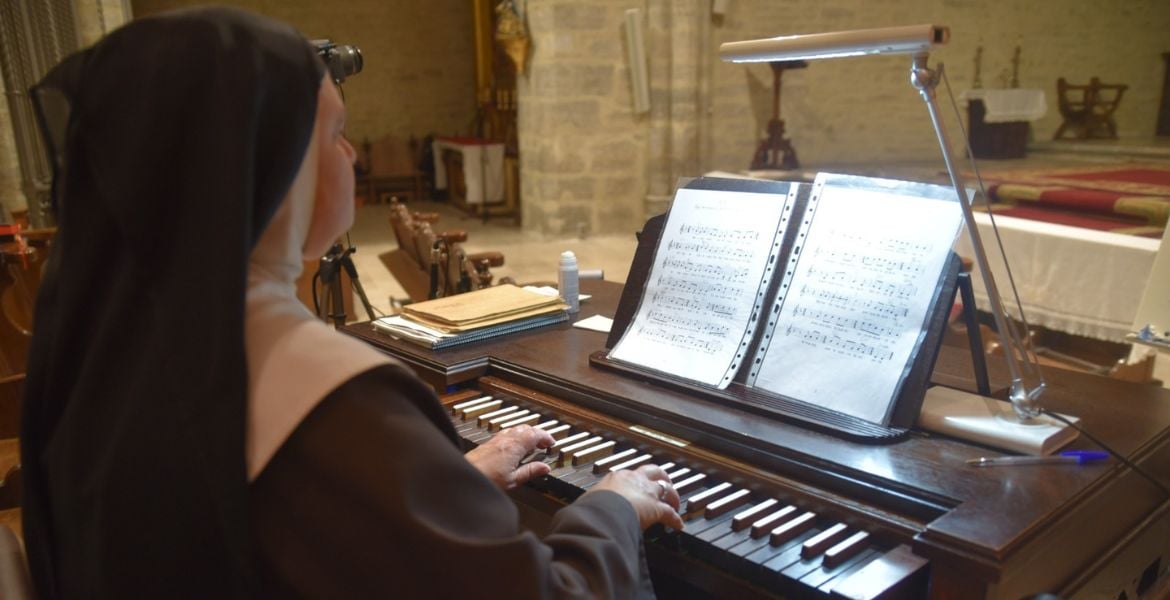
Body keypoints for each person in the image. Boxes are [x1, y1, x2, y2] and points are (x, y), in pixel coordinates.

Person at [21, 6, 683, 598]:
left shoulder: (104, 349)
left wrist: (438, 490)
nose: (353, 159)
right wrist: (612, 508)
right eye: (336, 134)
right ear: (265, 169)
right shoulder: (328, 398)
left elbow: (277, 534)